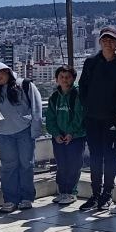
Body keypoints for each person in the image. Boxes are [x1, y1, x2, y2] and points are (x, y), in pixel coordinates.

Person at [0, 60, 42, 212]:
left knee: (26, 164)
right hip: (3, 133)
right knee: (8, 166)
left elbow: (36, 107)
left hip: (24, 131)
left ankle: (26, 198)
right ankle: (10, 199)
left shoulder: (24, 84)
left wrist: (35, 130)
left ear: (7, 71)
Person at [77, 27, 116, 213]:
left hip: (112, 118)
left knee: (110, 156)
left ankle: (107, 194)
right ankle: (95, 194)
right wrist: (87, 106)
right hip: (92, 117)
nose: (108, 42)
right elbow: (82, 87)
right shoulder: (91, 62)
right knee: (95, 156)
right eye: (104, 39)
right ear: (99, 42)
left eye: (111, 40)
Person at [44, 65, 85, 206]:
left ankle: (71, 192)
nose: (64, 80)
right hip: (59, 138)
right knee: (61, 164)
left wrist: (71, 133)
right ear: (57, 79)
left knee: (74, 164)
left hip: (76, 137)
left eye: (68, 77)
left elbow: (79, 117)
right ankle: (62, 191)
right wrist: (55, 134)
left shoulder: (77, 95)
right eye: (61, 77)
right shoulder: (54, 97)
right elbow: (49, 118)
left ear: (73, 79)